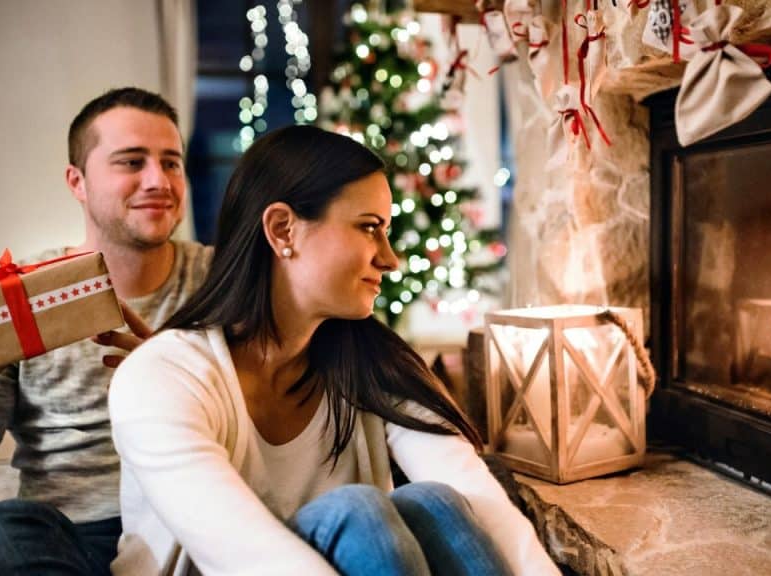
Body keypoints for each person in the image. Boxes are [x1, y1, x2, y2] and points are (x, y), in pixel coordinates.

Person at [108, 125, 560, 575]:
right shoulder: (160, 376)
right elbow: (248, 558)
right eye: (369, 228)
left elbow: (479, 498)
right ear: (283, 230)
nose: (389, 258)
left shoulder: (371, 361)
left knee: (434, 501)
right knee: (358, 513)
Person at [0, 87, 211, 575]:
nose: (159, 180)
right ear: (77, 181)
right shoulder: (16, 302)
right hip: (68, 540)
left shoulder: (227, 282)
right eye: (131, 162)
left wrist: (181, 381)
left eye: (172, 163)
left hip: (196, 523)